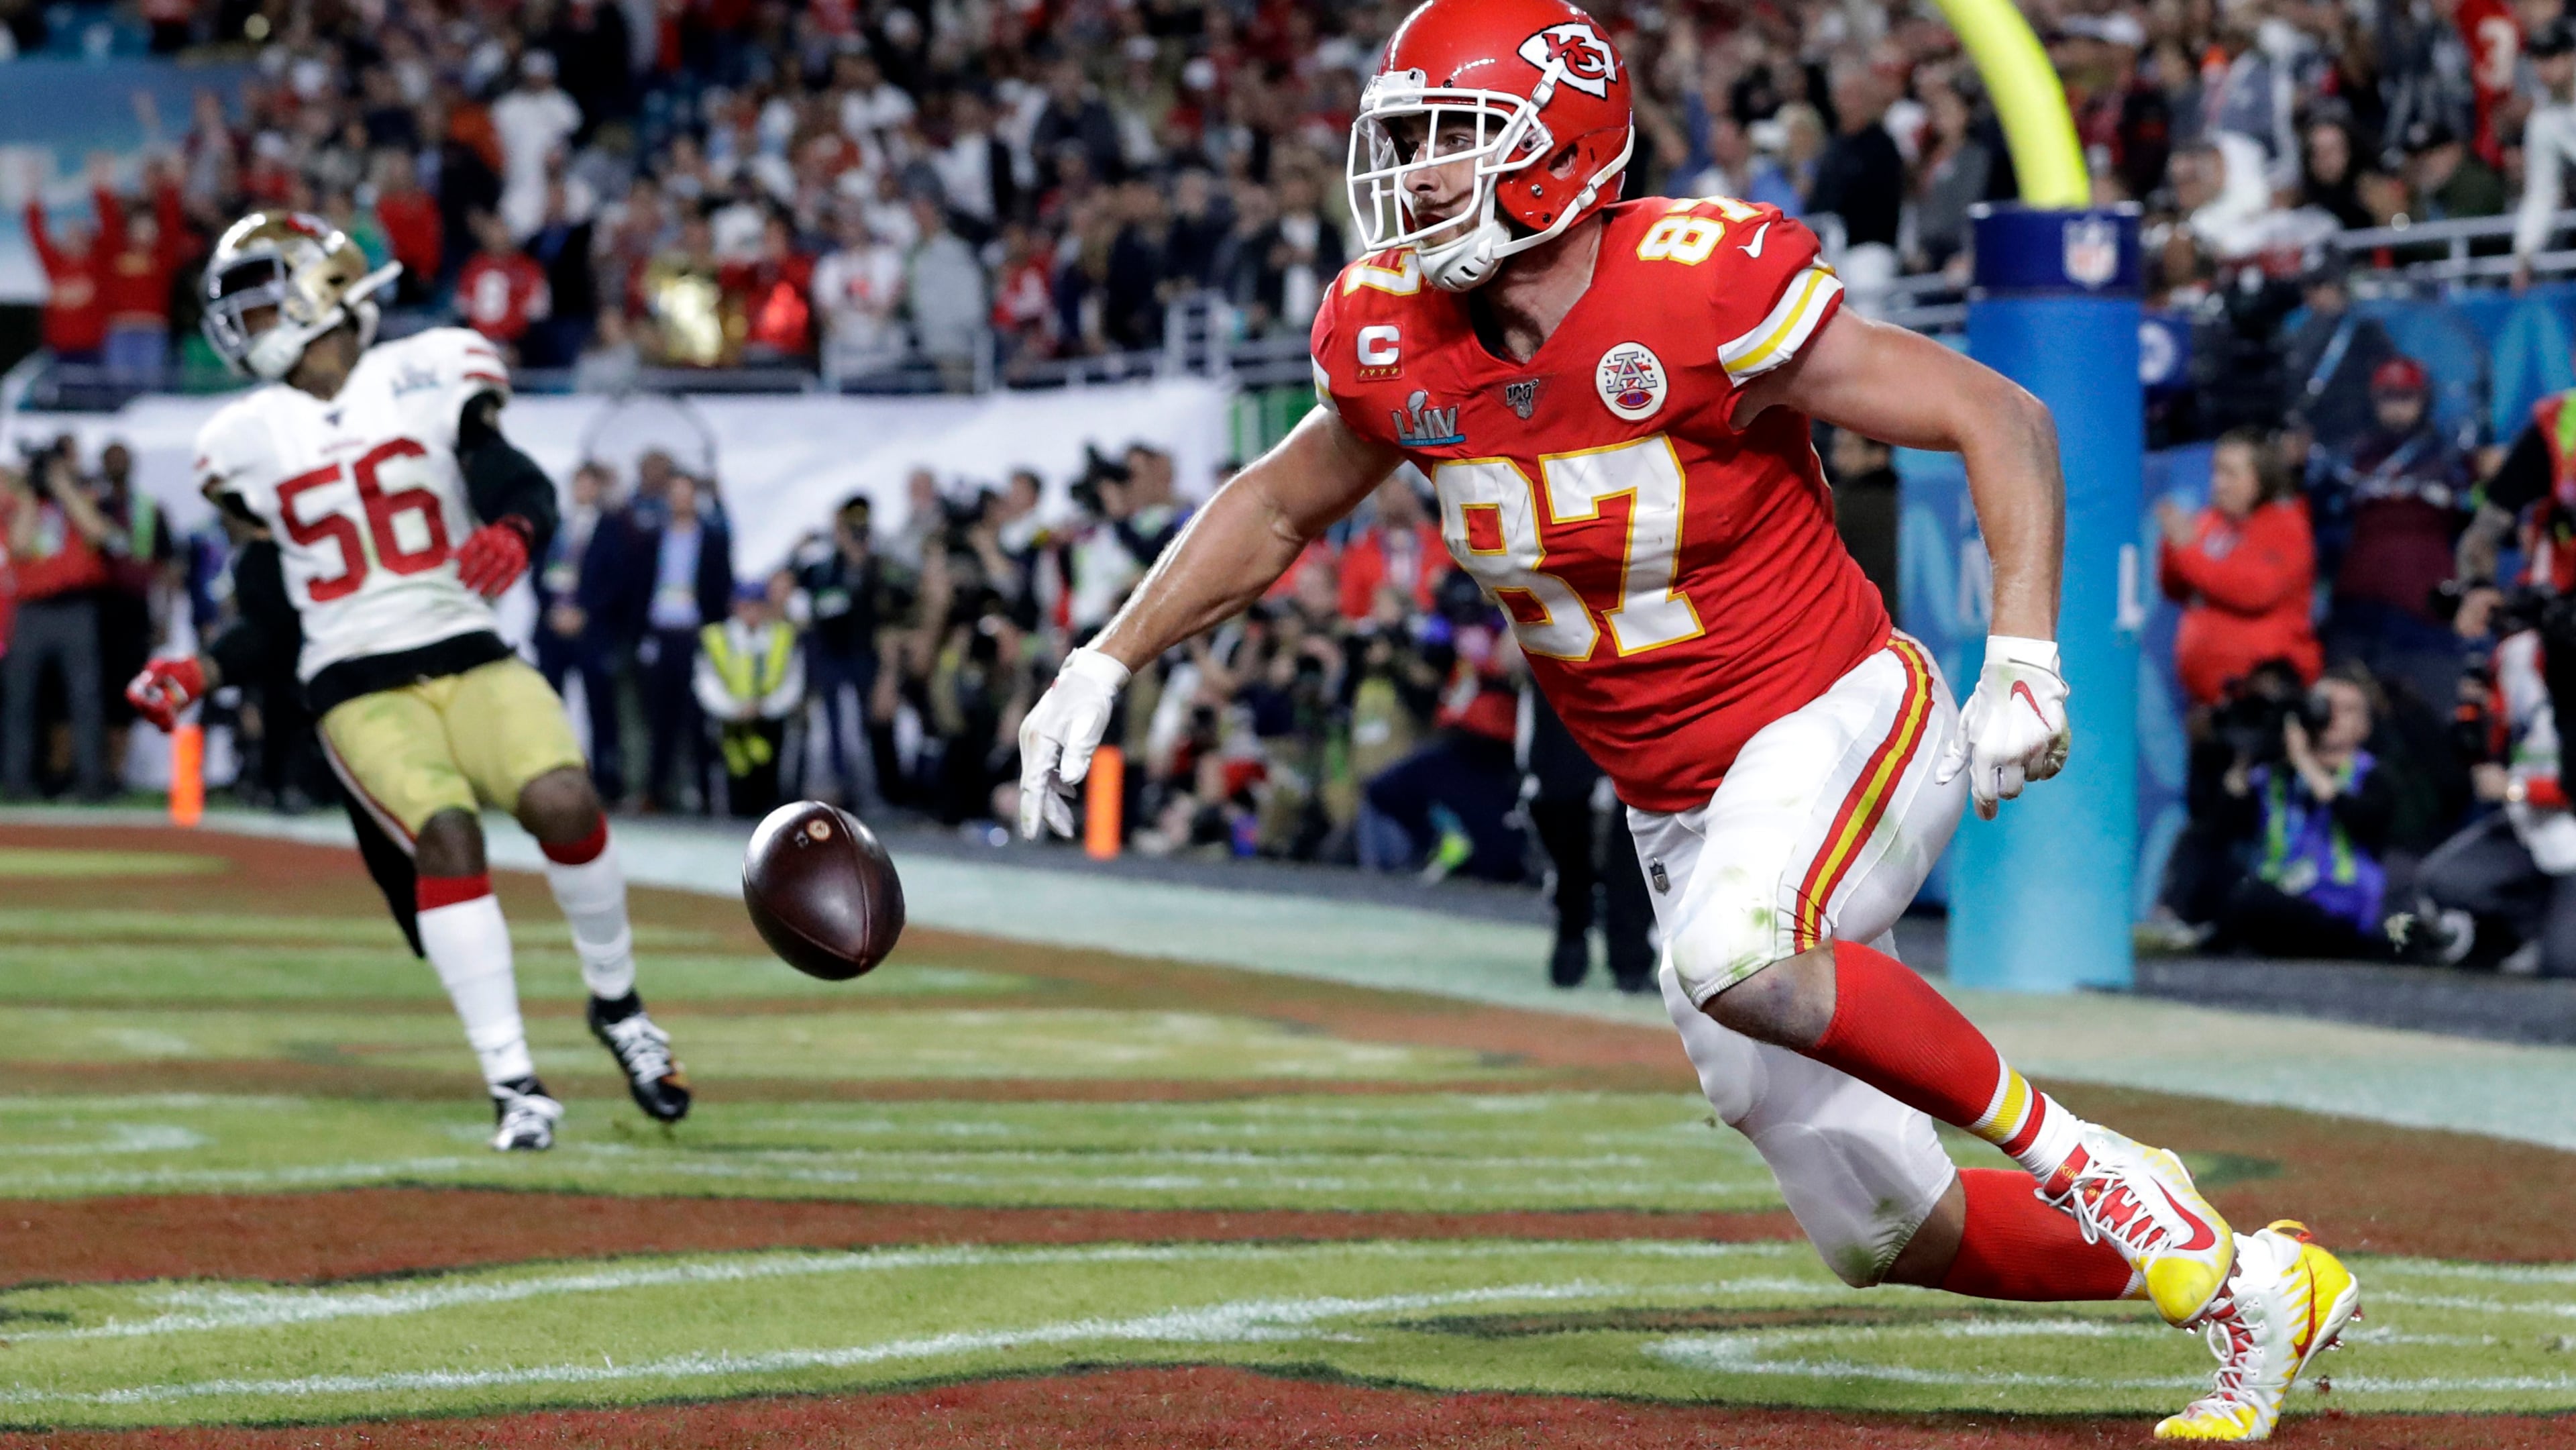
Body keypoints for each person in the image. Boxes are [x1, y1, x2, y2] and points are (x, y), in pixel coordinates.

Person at [1011, 2, 2354, 1437]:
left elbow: (2001, 416)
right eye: (1404, 146)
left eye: (1451, 145)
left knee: (1737, 948)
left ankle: (2104, 1167)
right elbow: (1279, 501)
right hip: (1677, 801)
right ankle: (2254, 1285)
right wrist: (1108, 655)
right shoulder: (1391, 331)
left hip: (1841, 713)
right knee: (1883, 1233)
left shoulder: (1693, 286)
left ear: (1558, 152)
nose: (1414, 182)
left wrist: (2024, 651)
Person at [122, 211, 689, 1153]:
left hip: (467, 645)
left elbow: (510, 474)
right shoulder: (242, 439)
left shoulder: (432, 368)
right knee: (447, 834)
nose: (246, 324)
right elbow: (270, 604)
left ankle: (618, 1005)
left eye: (263, 296)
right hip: (354, 681)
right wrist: (205, 666)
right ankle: (514, 1081)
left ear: (324, 285)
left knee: (562, 795)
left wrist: (515, 528)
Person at [2203, 668, 2398, 959]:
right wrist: (2247, 754)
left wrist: (2305, 761)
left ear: (2364, 727)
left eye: (2345, 710)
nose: (2330, 718)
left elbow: (2362, 819)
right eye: (2323, 705)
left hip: (2339, 908)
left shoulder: (2372, 776)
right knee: (2222, 874)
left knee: (2253, 900)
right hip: (2279, 897)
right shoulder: (2277, 774)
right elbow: (2219, 831)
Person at [2313, 358, 2473, 709]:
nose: (2396, 407)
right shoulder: (2351, 457)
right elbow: (2320, 523)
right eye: (2387, 397)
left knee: (2432, 724)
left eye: (2406, 397)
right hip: (2358, 612)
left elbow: (2480, 524)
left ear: (2425, 399)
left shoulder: (2451, 458)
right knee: (2343, 718)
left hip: (2426, 616)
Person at [2157, 431, 2322, 709]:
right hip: (2208, 702)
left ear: (2261, 477)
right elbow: (2176, 590)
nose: (2218, 483)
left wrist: (2187, 551)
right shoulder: (2210, 521)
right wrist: (2172, 545)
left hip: (2263, 699)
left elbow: (2255, 591)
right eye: (2216, 471)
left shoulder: (2285, 526)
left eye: (2231, 474)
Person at [1, 442, 113, 800]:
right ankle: (17, 782)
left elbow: (97, 532)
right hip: (31, 611)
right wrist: (31, 494)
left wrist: (63, 486)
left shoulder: (78, 500)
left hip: (76, 609)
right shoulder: (21, 506)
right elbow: (18, 546)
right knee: (20, 700)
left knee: (85, 697)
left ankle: (91, 781)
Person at [795, 495, 894, 807]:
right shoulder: (821, 568)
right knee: (831, 729)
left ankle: (875, 792)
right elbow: (799, 591)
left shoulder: (879, 568)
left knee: (870, 726)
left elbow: (891, 611)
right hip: (830, 658)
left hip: (866, 657)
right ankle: (836, 792)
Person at [694, 576, 804, 818]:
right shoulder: (716, 637)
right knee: (737, 787)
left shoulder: (783, 636)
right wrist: (734, 709)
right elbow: (706, 682)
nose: (751, 612)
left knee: (771, 791)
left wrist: (766, 707)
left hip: (771, 720)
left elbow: (793, 681)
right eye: (746, 606)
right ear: (735, 606)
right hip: (732, 723)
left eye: (757, 606)